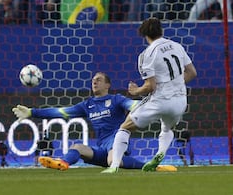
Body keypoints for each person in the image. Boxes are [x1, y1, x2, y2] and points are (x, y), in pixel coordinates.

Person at [12, 72, 177, 172]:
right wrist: (33, 112)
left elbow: (132, 104)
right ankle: (62, 163)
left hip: (117, 144)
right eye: (93, 80)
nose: (94, 82)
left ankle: (152, 166)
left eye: (98, 79)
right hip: (102, 148)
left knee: (113, 161)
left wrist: (145, 106)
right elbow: (60, 112)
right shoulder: (87, 104)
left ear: (108, 84)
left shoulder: (116, 99)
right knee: (77, 147)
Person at [101, 17, 197, 173]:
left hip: (160, 101)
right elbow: (192, 73)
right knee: (166, 129)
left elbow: (150, 86)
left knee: (124, 128)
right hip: (180, 102)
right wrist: (175, 84)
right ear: (161, 30)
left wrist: (135, 91)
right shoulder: (177, 46)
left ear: (144, 35)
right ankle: (160, 154)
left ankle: (114, 166)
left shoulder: (147, 54)